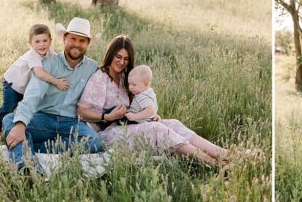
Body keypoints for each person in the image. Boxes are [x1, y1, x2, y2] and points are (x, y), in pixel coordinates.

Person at [76, 36, 229, 166]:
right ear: (111, 55)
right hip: (109, 133)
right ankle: (214, 164)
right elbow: (81, 111)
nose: (122, 62)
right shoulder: (100, 78)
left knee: (173, 123)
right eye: (118, 57)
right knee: (157, 129)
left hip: (132, 124)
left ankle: (224, 154)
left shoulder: (126, 79)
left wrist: (151, 116)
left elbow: (140, 105)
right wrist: (107, 117)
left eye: (126, 59)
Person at [1, 18, 103, 170]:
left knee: (94, 141)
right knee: (10, 119)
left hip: (71, 123)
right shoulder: (49, 64)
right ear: (64, 39)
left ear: (88, 43)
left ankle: (35, 148)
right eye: (73, 38)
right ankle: (26, 167)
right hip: (44, 119)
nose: (76, 44)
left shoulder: (93, 67)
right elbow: (33, 94)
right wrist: (21, 124)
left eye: (82, 40)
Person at [0, 23, 71, 141]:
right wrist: (57, 82)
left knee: (31, 106)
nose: (41, 44)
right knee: (8, 109)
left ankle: (24, 130)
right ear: (30, 43)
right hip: (14, 84)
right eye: (37, 41)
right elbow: (40, 73)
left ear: (50, 41)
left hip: (26, 87)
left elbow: (58, 63)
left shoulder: (51, 53)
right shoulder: (33, 55)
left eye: (44, 41)